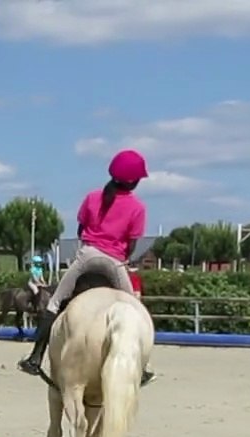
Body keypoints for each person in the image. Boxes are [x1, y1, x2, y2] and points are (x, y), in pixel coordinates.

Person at [18, 149, 154, 386]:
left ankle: (35, 357)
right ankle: (142, 368)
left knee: (54, 303)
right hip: (114, 261)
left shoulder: (92, 197)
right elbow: (131, 244)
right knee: (135, 309)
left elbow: (81, 230)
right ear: (134, 180)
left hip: (87, 255)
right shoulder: (137, 207)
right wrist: (121, 257)